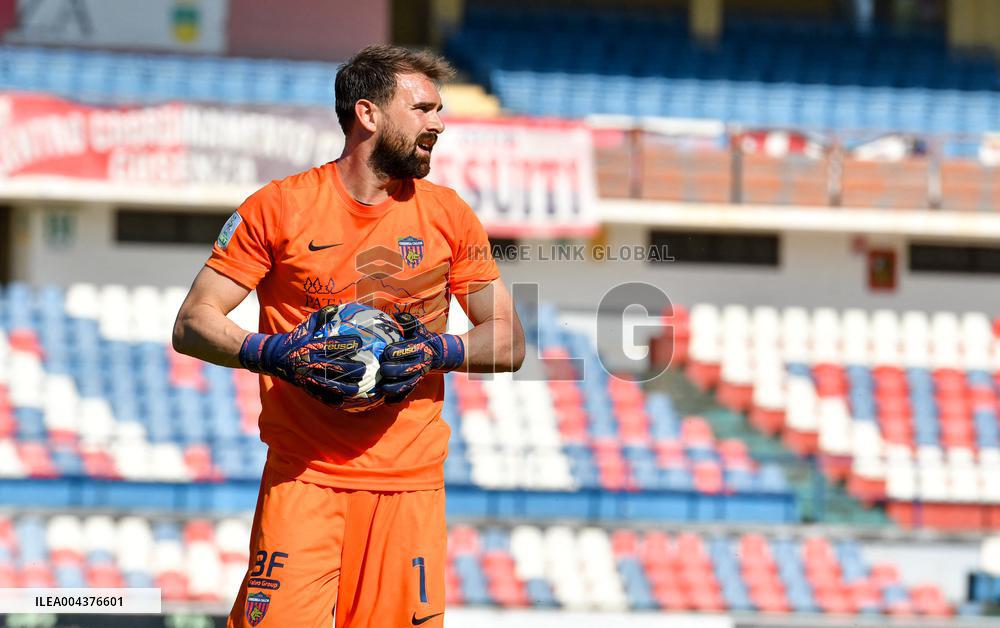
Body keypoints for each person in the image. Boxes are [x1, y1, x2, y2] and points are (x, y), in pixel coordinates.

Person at [172, 44, 525, 628]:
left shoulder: (449, 215)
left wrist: (440, 349)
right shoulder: (277, 208)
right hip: (304, 477)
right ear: (368, 114)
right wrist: (275, 353)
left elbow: (509, 340)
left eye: (440, 111)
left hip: (407, 488)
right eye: (423, 109)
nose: (438, 123)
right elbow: (193, 322)